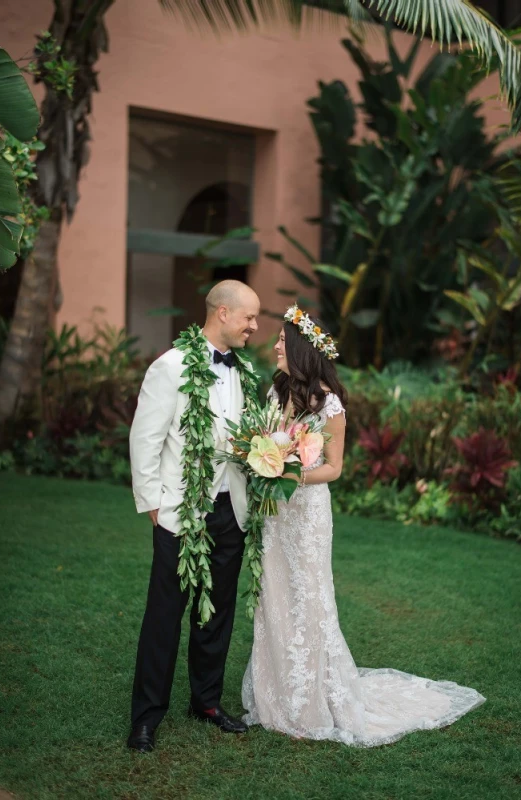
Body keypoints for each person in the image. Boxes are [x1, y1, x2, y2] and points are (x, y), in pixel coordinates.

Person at [242, 306, 485, 747]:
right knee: (275, 594)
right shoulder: (276, 393)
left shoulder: (329, 403)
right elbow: (266, 442)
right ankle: (275, 695)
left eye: (281, 340)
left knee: (310, 597)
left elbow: (333, 469)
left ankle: (314, 701)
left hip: (309, 514)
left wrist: (284, 472)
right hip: (276, 516)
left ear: (299, 349)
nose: (275, 345)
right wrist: (265, 463)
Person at [128, 280, 260, 753]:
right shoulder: (171, 366)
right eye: (249, 317)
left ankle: (206, 701)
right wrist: (154, 504)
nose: (254, 326)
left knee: (217, 615)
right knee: (164, 615)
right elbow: (145, 438)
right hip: (182, 512)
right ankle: (145, 718)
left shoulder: (243, 371)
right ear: (223, 313)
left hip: (232, 509)